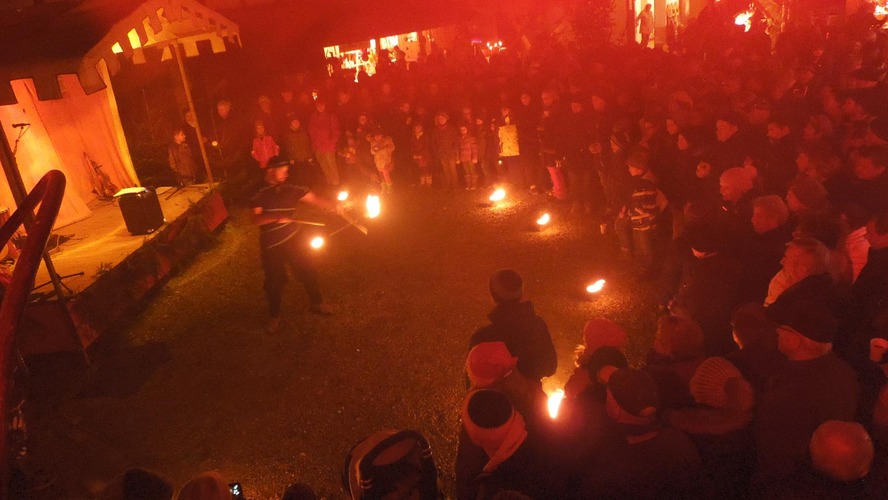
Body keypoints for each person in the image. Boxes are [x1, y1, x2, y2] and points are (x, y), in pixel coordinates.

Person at [250, 158, 337, 333]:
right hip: (272, 243)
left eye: (287, 170)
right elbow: (256, 219)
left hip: (293, 238)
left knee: (307, 270)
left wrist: (334, 205)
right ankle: (274, 316)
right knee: (274, 280)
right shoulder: (259, 191)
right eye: (282, 170)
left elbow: (313, 198)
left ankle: (317, 303)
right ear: (271, 171)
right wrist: (277, 217)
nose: (286, 173)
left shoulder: (290, 188)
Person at [469, 269, 557, 382]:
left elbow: (472, 381)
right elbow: (550, 367)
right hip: (530, 397)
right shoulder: (537, 325)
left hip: (495, 399)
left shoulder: (483, 337)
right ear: (520, 294)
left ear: (493, 296)